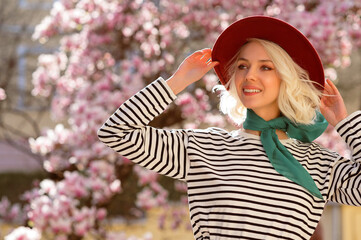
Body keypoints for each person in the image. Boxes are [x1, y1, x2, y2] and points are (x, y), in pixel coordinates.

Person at [98, 16, 361, 240]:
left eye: (265, 67)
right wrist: (176, 82)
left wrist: (345, 124)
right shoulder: (203, 148)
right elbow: (116, 133)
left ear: (288, 79)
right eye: (242, 66)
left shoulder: (320, 164)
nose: (249, 76)